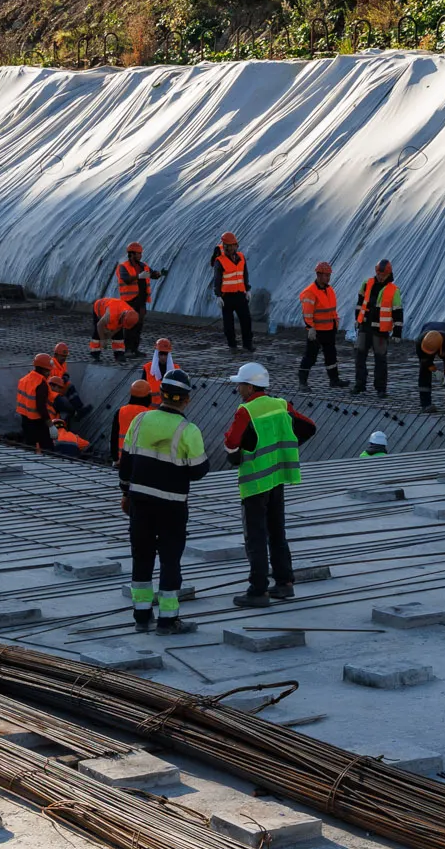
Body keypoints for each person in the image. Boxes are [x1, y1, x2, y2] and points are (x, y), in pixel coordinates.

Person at [119, 368, 206, 634]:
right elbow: (199, 470)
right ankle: (168, 621)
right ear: (186, 400)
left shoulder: (140, 420)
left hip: (140, 502)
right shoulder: (188, 430)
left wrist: (125, 493)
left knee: (141, 557)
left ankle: (142, 618)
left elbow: (126, 460)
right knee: (170, 560)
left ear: (160, 395)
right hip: (172, 506)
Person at [223, 361, 315, 607]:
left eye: (241, 384)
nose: (238, 388)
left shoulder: (247, 410)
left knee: (255, 536)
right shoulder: (282, 406)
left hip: (255, 482)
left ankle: (258, 590)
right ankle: (284, 583)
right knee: (277, 531)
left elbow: (231, 443)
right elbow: (309, 427)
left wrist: (241, 453)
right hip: (278, 477)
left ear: (251, 387)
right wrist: (287, 448)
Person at [352, 260, 399, 396]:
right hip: (365, 327)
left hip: (380, 331)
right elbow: (360, 302)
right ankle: (359, 385)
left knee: (380, 360)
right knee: (360, 356)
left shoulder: (393, 290)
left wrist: (397, 331)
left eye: (382, 274)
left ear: (388, 273)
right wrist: (358, 319)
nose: (379, 276)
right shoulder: (367, 283)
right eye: (378, 273)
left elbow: (397, 311)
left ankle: (380, 388)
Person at [294, 263, 343, 389]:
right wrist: (310, 328)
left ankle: (334, 380)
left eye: (329, 275)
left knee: (331, 356)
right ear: (318, 275)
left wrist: (335, 322)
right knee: (310, 357)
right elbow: (307, 313)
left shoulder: (330, 290)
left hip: (329, 330)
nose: (328, 278)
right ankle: (302, 382)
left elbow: (332, 309)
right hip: (316, 332)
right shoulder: (310, 292)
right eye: (326, 275)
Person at [114, 243, 165, 349]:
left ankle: (135, 349)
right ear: (131, 254)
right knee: (130, 325)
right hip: (129, 301)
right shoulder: (123, 267)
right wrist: (138, 276)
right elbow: (126, 280)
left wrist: (158, 274)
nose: (140, 255)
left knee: (139, 325)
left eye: (141, 253)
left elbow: (152, 274)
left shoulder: (143, 266)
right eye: (138, 253)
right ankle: (127, 349)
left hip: (141, 300)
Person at [211, 232, 254, 351]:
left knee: (246, 320)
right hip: (227, 297)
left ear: (236, 245)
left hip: (240, 294)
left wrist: (247, 289)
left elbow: (244, 274)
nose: (229, 248)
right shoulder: (220, 261)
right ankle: (232, 345)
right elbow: (217, 279)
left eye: (231, 246)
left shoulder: (241, 257)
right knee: (228, 324)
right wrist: (218, 295)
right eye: (226, 246)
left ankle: (247, 344)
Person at [15, 353, 59, 452]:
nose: (49, 372)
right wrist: (51, 425)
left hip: (25, 419)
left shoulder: (25, 379)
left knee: (29, 448)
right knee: (47, 448)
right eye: (48, 370)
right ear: (43, 369)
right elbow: (41, 407)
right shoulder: (41, 384)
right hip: (38, 420)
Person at [415, 321, 445, 412]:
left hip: (444, 332)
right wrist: (435, 371)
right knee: (424, 370)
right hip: (427, 329)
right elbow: (425, 361)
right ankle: (425, 404)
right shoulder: (420, 343)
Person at [110, 374, 157, 462]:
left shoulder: (120, 411)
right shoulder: (149, 415)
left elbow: (114, 437)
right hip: (139, 462)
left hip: (122, 459)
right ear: (147, 396)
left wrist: (115, 458)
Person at [89, 294, 140, 363]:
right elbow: (99, 325)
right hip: (98, 307)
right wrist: (103, 339)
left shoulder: (130, 314)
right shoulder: (110, 314)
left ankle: (119, 355)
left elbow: (120, 326)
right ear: (122, 317)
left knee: (119, 335)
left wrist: (110, 334)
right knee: (97, 333)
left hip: (114, 311)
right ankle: (95, 353)